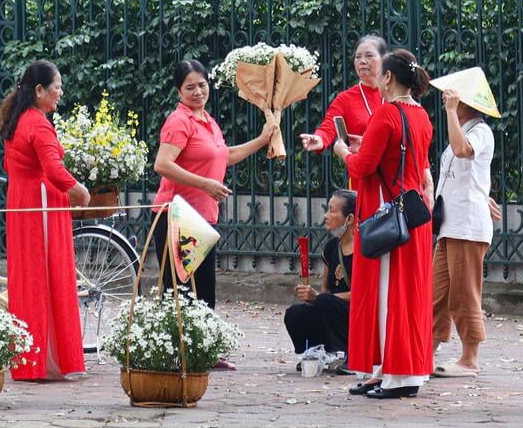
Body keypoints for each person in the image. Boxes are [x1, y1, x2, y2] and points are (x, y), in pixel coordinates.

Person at [152, 60, 275, 369]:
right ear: (179, 91)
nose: (197, 91)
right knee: (179, 289)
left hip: (203, 216)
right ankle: (176, 354)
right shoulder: (178, 122)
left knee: (204, 288)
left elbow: (224, 155)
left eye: (202, 85)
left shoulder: (207, 120)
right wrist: (204, 183)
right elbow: (163, 164)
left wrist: (262, 140)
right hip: (176, 215)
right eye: (190, 87)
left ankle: (203, 351)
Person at [333, 49, 434, 399]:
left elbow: (361, 168)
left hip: (387, 215)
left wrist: (343, 151)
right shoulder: (421, 115)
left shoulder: (387, 113)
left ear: (388, 77)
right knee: (409, 297)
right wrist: (364, 145)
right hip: (412, 214)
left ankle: (399, 375)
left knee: (388, 297)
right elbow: (398, 157)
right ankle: (383, 370)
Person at [0, 60, 91, 381]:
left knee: (27, 279)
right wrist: (80, 191)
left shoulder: (16, 118)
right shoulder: (38, 123)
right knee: (47, 277)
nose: (60, 92)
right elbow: (53, 169)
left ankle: (31, 360)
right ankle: (52, 360)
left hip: (21, 201)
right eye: (57, 86)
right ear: (39, 90)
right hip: (42, 206)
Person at [429, 68, 499, 378]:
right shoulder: (465, 127)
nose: (448, 98)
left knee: (463, 294)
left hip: (467, 227)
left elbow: (462, 151)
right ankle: (425, 351)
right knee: (437, 293)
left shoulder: (480, 131)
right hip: (451, 225)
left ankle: (470, 358)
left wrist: (450, 112)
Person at [299, 35, 387, 191]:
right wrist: (319, 139)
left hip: (392, 179)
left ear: (384, 59)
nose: (362, 61)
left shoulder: (394, 95)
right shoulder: (345, 99)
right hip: (363, 182)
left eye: (369, 55)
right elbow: (329, 126)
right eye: (358, 57)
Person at [284, 189, 356, 373]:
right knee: (295, 313)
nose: (326, 216)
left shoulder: (364, 248)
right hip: (331, 307)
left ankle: (352, 355)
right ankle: (317, 350)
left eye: (332, 210)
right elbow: (325, 289)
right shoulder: (332, 247)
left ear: (349, 219)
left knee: (325, 301)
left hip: (356, 313)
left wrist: (321, 298)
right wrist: (311, 296)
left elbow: (364, 294)